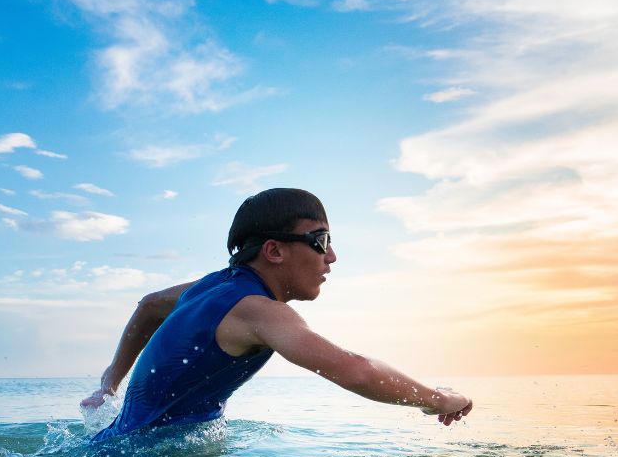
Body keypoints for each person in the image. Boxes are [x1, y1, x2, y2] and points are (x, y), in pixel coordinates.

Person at [82, 187, 472, 441]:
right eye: (321, 240)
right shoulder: (258, 311)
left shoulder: (211, 288)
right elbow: (357, 371)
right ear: (274, 251)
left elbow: (149, 305)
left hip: (114, 448)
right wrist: (437, 399)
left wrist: (109, 383)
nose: (332, 256)